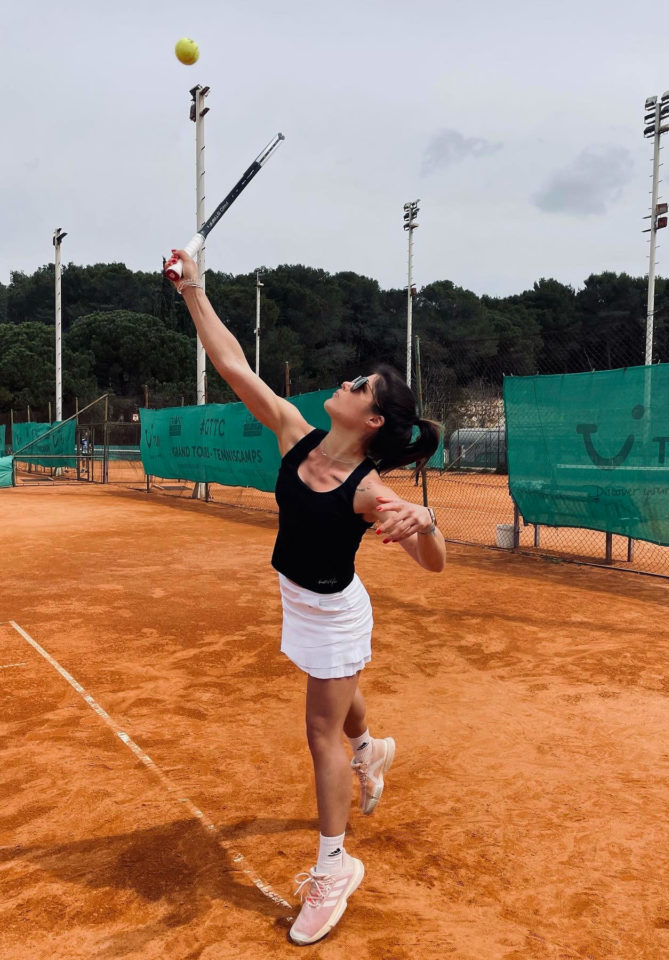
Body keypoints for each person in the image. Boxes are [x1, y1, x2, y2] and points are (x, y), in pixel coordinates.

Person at [169, 249, 447, 945]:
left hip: (336, 610)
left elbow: (433, 565)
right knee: (336, 691)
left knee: (318, 728)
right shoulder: (298, 435)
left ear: (374, 420)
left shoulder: (371, 492)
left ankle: (333, 869)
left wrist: (428, 521)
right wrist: (193, 292)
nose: (347, 383)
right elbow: (234, 364)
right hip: (300, 598)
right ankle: (372, 749)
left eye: (360, 385)